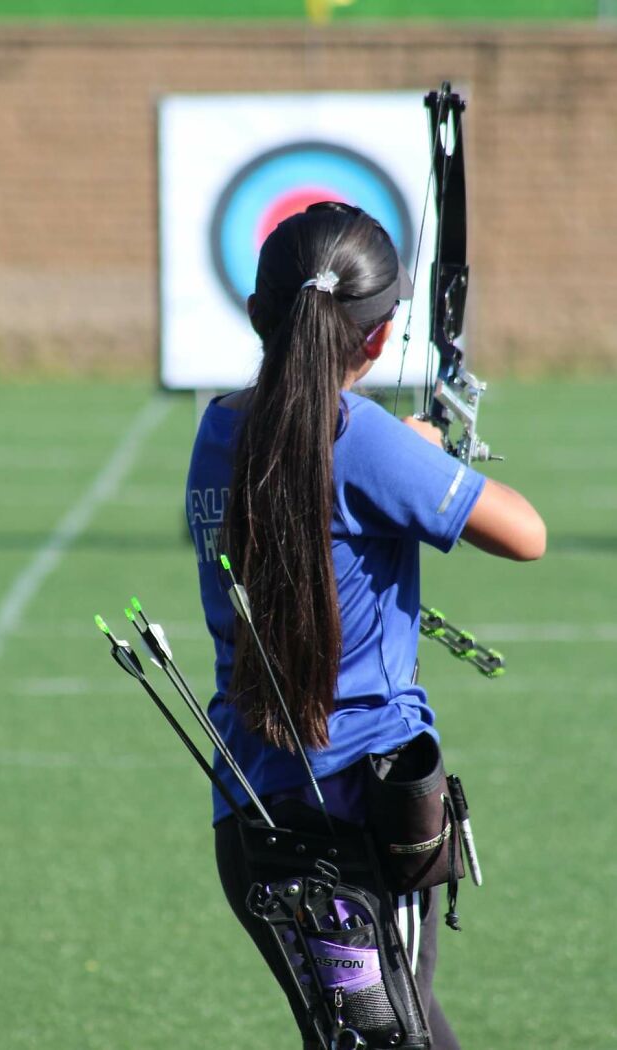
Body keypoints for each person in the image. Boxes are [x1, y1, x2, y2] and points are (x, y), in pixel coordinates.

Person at [185, 201, 546, 1050]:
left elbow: (307, 469)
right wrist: (421, 455)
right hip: (357, 817)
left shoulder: (216, 430)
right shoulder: (368, 444)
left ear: (256, 315)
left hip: (252, 815)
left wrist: (400, 448)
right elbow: (524, 534)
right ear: (379, 340)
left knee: (374, 1036)